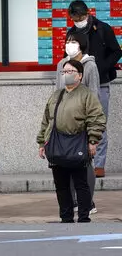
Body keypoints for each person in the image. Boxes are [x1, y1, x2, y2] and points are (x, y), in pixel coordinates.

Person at [37, 60, 106, 223]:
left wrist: (93, 140)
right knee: (61, 185)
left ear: (79, 75)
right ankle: (66, 216)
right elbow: (46, 120)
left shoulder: (87, 95)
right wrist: (42, 142)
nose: (66, 74)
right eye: (64, 71)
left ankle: (83, 216)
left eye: (70, 71)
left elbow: (96, 118)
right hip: (57, 144)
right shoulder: (56, 95)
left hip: (78, 144)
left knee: (81, 183)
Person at [66, 0, 122, 178]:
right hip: (78, 85)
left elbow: (116, 51)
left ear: (87, 14)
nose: (77, 20)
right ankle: (81, 159)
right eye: (74, 18)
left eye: (80, 17)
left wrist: (101, 67)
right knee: (79, 123)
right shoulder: (72, 33)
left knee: (99, 122)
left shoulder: (102, 28)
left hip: (101, 82)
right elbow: (66, 57)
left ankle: (99, 164)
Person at [56, 33, 99, 215]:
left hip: (82, 124)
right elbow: (57, 92)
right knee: (65, 162)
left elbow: (94, 94)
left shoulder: (90, 66)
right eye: (67, 42)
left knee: (84, 163)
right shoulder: (61, 65)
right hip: (63, 124)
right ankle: (71, 201)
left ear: (81, 45)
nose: (69, 45)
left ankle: (87, 201)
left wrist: (93, 129)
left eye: (73, 42)